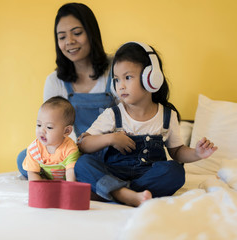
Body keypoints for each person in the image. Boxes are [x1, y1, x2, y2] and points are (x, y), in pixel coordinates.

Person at [75, 42, 218, 207]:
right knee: (82, 164)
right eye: (116, 79)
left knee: (175, 171)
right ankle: (125, 193)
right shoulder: (113, 114)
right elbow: (83, 144)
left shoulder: (167, 115)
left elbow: (177, 152)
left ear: (151, 78)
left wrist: (197, 153)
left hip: (148, 174)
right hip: (114, 173)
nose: (120, 85)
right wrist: (111, 138)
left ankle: (117, 193)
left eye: (128, 77)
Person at [17, 2, 118, 178]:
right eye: (62, 37)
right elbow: (51, 130)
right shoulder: (55, 81)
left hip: (112, 153)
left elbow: (130, 117)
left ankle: (94, 180)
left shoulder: (115, 70)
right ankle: (88, 180)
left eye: (77, 33)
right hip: (72, 156)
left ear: (91, 33)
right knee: (23, 158)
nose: (69, 42)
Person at [23, 96, 80, 181]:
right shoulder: (34, 149)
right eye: (39, 125)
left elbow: (70, 173)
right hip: (45, 179)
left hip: (63, 180)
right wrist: (40, 188)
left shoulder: (70, 149)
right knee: (25, 164)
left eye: (49, 127)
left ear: (66, 131)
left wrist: (68, 189)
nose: (42, 130)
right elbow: (32, 172)